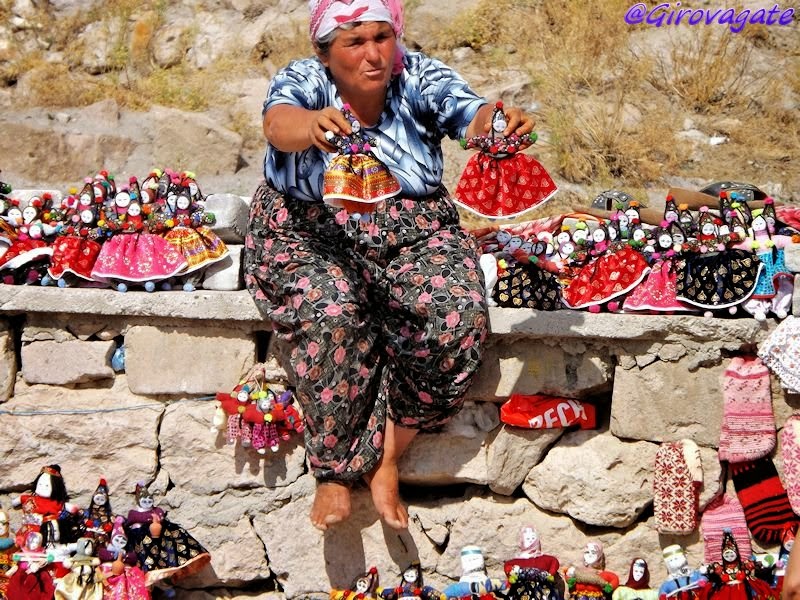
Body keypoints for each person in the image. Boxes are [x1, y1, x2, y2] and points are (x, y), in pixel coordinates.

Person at [244, 0, 534, 532]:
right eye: (356, 42)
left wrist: (496, 123)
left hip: (414, 233)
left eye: (383, 37)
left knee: (457, 317)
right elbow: (277, 123)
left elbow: (467, 113)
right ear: (325, 50)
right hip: (310, 232)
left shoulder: (419, 75)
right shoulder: (305, 80)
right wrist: (310, 125)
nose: (374, 54)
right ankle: (334, 469)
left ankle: (387, 456)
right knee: (332, 310)